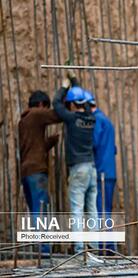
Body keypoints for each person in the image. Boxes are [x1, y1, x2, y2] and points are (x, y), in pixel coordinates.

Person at [52, 72, 98, 254]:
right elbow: (84, 102)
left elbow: (56, 104)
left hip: (78, 169)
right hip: (91, 169)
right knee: (92, 210)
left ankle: (79, 248)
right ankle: (93, 247)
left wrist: (64, 86)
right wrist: (75, 82)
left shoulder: (72, 119)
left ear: (72, 104)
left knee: (77, 210)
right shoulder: (90, 118)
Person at [19, 90, 61, 255]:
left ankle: (41, 247)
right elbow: (57, 115)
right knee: (41, 210)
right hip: (37, 171)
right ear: (42, 105)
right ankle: (44, 249)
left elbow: (34, 147)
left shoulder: (23, 120)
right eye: (46, 107)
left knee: (35, 210)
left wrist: (50, 142)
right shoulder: (37, 114)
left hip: (26, 172)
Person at [84, 90, 117, 253]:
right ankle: (109, 247)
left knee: (100, 210)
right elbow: (113, 148)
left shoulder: (96, 120)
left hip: (101, 172)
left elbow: (93, 143)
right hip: (110, 171)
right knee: (106, 209)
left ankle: (107, 248)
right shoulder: (107, 121)